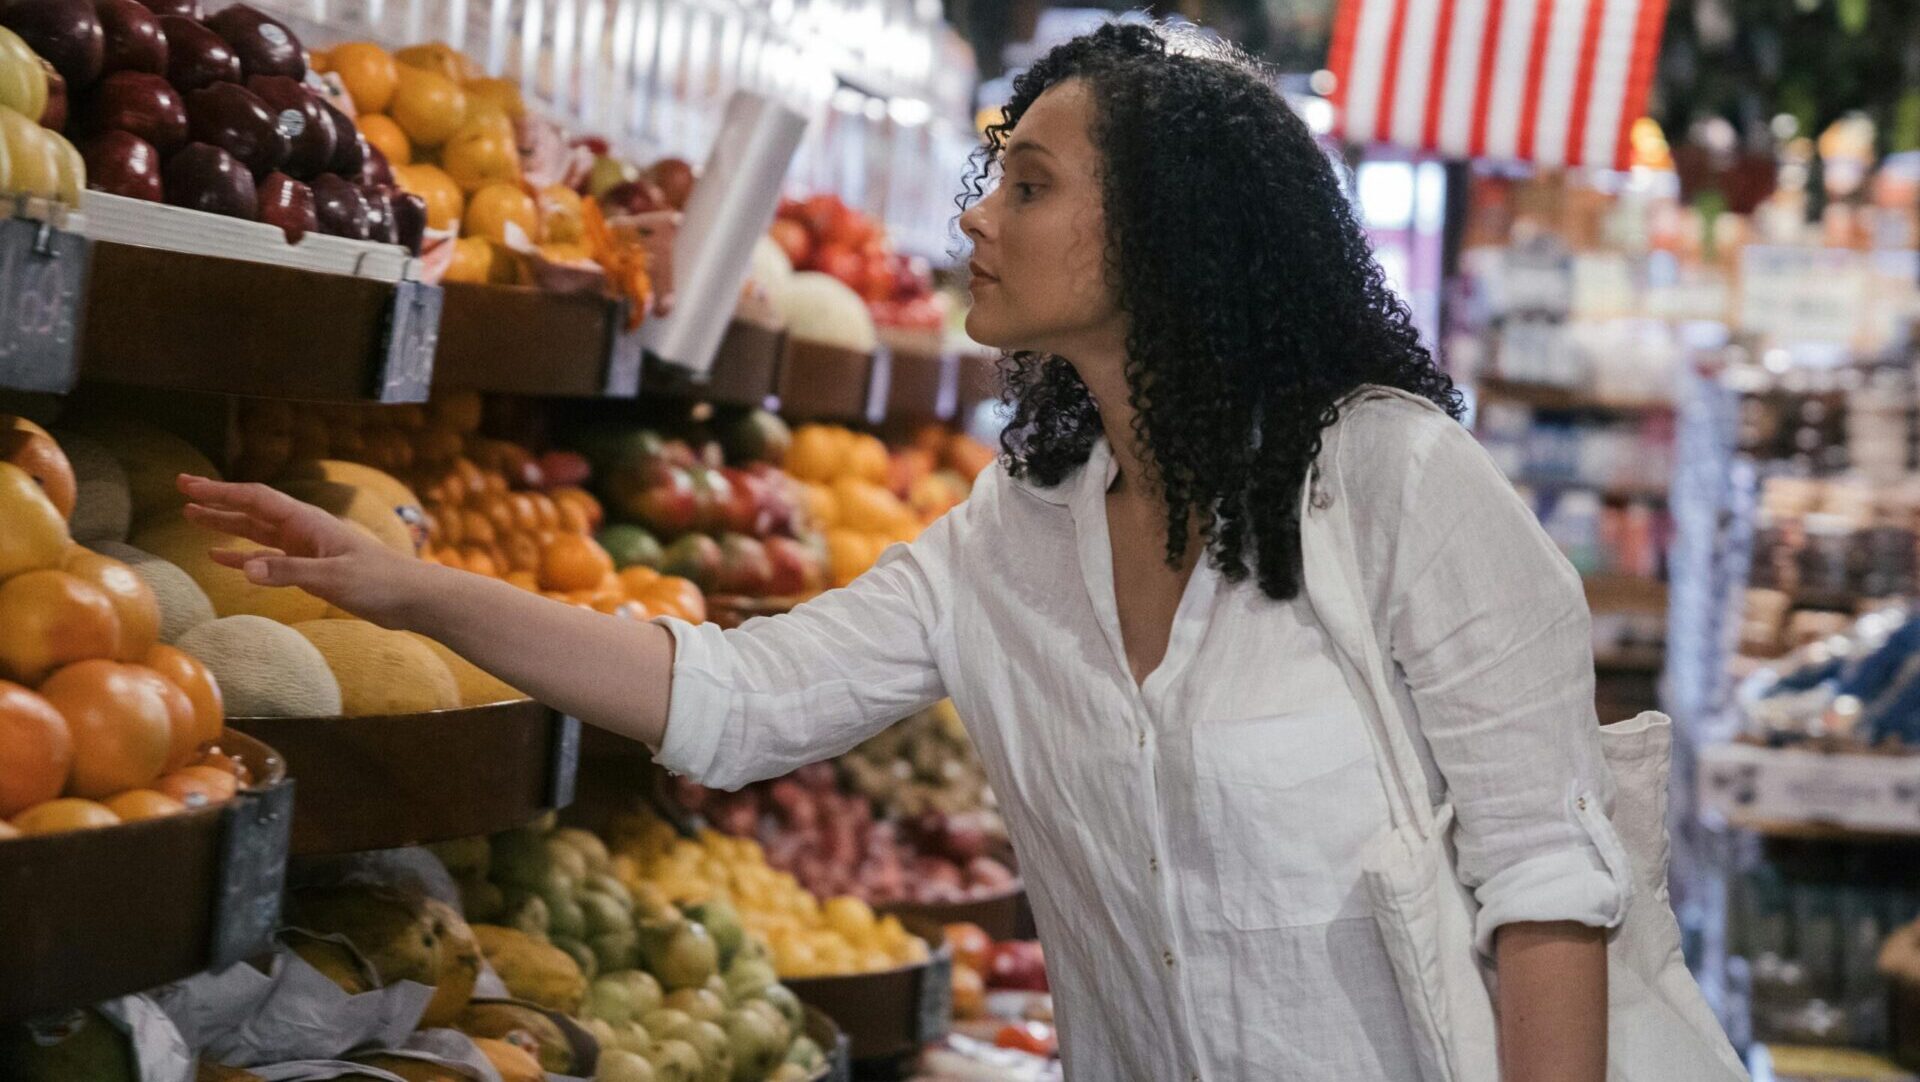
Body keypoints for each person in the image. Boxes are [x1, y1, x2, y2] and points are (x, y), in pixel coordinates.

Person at [181, 22, 1627, 1081]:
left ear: (1170, 236)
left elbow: (1548, 886)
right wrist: (405, 586)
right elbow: (740, 701)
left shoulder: (1391, 484)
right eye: (991, 176)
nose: (977, 216)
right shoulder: (1019, 532)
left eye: (1032, 184)